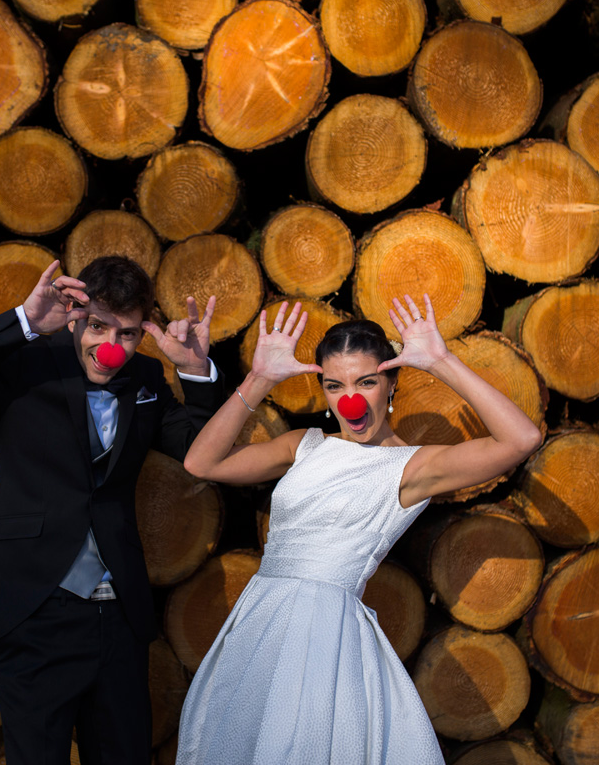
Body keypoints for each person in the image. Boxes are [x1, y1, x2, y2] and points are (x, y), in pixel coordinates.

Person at [175, 295, 544, 764]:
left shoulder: (412, 467)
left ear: (391, 384)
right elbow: (200, 462)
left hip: (325, 636)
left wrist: (442, 361)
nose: (350, 398)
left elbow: (522, 439)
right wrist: (260, 377)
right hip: (259, 622)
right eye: (335, 385)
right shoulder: (302, 445)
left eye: (366, 381)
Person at [0, 256, 223, 765]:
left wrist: (196, 372)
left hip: (118, 618)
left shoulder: (147, 379)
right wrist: (22, 322)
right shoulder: (23, 365)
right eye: (97, 326)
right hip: (32, 611)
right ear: (75, 316)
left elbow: (205, 456)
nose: (110, 346)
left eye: (128, 333)